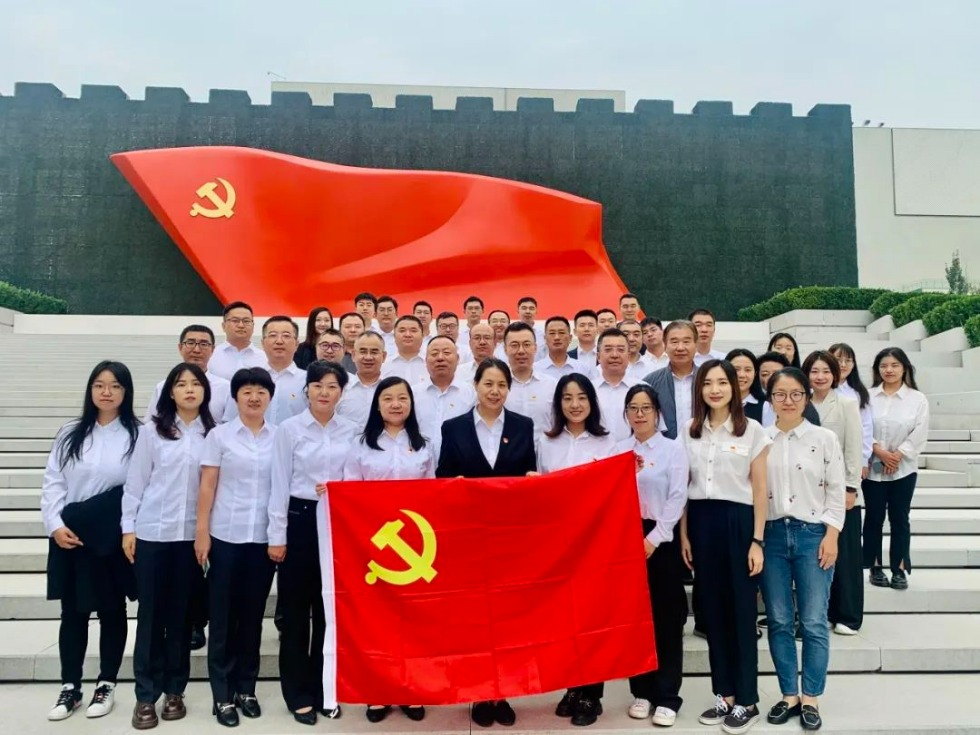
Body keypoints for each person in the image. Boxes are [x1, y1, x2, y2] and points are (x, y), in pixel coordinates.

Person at [436, 359, 536, 728]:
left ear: (509, 389)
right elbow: (442, 476)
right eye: (488, 384)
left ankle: (503, 692)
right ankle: (478, 692)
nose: (495, 391)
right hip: (469, 540)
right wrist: (455, 485)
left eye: (501, 385)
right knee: (475, 620)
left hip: (510, 540)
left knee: (509, 620)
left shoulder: (523, 426)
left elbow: (528, 474)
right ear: (475, 385)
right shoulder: (454, 427)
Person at [43, 361, 140, 722]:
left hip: (113, 536)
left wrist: (129, 529)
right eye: (99, 385)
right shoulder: (70, 432)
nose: (106, 392)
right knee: (73, 612)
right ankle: (70, 686)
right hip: (71, 535)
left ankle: (107, 683)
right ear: (90, 390)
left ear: (126, 392)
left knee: (113, 610)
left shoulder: (137, 434)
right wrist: (55, 525)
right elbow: (54, 481)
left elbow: (139, 487)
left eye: (115, 386)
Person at [680, 360, 770, 735]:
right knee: (713, 614)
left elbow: (760, 490)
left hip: (739, 523)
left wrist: (757, 540)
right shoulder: (690, 430)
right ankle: (725, 696)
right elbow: (684, 485)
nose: (714, 389)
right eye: (707, 383)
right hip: (702, 522)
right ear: (699, 389)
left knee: (741, 614)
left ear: (734, 386)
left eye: (721, 382)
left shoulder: (752, 430)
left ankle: (747, 700)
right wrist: (685, 535)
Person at [123, 363, 216, 729]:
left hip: (192, 539)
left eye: (196, 383)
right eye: (181, 384)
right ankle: (145, 695)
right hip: (153, 535)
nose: (189, 389)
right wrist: (128, 528)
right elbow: (135, 483)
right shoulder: (152, 432)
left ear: (205, 391)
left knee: (181, 616)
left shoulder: (214, 434)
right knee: (150, 617)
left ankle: (175, 690)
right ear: (170, 392)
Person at [345, 376, 437, 723]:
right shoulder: (360, 445)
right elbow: (350, 491)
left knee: (412, 623)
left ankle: (411, 689)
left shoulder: (424, 445)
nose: (395, 404)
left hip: (414, 544)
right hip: (371, 544)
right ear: (377, 405)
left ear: (411, 404)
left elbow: (432, 494)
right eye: (388, 398)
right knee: (376, 621)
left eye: (402, 398)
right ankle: (378, 692)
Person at [269, 361, 354, 725]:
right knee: (295, 612)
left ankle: (324, 689)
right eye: (317, 385)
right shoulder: (289, 430)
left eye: (332, 386)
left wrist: (340, 490)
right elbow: (278, 482)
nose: (324, 392)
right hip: (299, 519)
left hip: (337, 522)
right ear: (307, 390)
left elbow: (355, 477)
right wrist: (277, 536)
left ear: (341, 393)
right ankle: (297, 693)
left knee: (327, 612)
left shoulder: (350, 430)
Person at [761, 367, 845, 732]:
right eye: (780, 394)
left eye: (796, 393)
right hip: (772, 536)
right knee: (779, 619)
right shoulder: (760, 438)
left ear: (807, 397)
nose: (788, 400)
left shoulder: (824, 438)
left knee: (813, 620)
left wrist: (832, 535)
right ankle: (789, 694)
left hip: (813, 534)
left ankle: (811, 697)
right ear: (770, 399)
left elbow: (837, 489)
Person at [195, 367, 278, 727]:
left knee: (252, 618)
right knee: (223, 617)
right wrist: (202, 532)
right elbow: (207, 486)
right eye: (247, 391)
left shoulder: (280, 436)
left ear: (270, 397)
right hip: (225, 537)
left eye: (261, 391)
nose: (254, 397)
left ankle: (247, 688)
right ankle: (222, 694)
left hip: (262, 539)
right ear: (235, 397)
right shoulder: (220, 436)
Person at [539, 375, 618, 728]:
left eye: (582, 397)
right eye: (567, 398)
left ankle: (591, 694)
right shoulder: (546, 442)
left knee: (591, 619)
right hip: (557, 544)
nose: (575, 404)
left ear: (592, 403)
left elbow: (613, 491)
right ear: (558, 404)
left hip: (594, 542)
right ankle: (572, 686)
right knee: (564, 620)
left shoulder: (608, 442)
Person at [619, 385, 689, 729]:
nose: (640, 414)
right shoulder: (619, 451)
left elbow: (677, 496)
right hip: (625, 539)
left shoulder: (673, 449)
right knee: (635, 619)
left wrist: (655, 538)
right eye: (633, 408)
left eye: (646, 407)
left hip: (661, 540)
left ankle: (667, 695)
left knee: (666, 619)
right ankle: (641, 691)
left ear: (658, 412)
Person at [802, 351, 865, 636]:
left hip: (841, 491)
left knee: (847, 555)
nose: (820, 377)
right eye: (814, 371)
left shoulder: (846, 404)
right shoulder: (801, 402)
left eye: (826, 371)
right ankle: (825, 611)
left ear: (835, 375)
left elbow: (853, 449)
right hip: (810, 493)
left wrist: (852, 488)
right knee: (820, 554)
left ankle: (849, 615)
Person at [864, 347, 929, 590]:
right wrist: (879, 452)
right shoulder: (868, 396)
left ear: (905, 368)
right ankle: (874, 566)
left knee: (900, 518)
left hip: (904, 469)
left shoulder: (917, 399)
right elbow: (862, 428)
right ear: (877, 369)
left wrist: (897, 456)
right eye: (883, 366)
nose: (889, 370)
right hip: (873, 468)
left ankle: (899, 568)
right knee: (874, 517)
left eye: (894, 365)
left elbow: (920, 431)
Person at [226, 316, 308, 425]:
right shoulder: (246, 379)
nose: (279, 341)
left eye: (286, 336)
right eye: (273, 335)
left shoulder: (308, 381)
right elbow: (230, 421)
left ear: (297, 344)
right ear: (263, 343)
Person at [144, 325, 231, 426]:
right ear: (180, 347)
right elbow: (151, 423)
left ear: (212, 349)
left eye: (204, 344)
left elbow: (231, 428)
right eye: (190, 343)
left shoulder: (226, 388)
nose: (197, 350)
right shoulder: (163, 387)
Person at [415, 336, 475, 455]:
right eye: (434, 354)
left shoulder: (471, 393)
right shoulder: (413, 393)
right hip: (420, 462)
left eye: (447, 353)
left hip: (459, 462)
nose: (440, 358)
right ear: (425, 360)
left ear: (457, 359)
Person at [642, 320, 698, 439]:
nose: (680, 348)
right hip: (664, 447)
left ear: (696, 344)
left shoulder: (708, 380)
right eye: (674, 342)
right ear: (665, 345)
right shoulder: (650, 382)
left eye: (686, 342)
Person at [502, 322, 557, 436]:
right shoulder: (498, 386)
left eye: (527, 344)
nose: (521, 351)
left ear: (535, 348)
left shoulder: (551, 385)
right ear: (505, 349)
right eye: (514, 345)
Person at [828, 343, 874, 476]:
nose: (843, 365)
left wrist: (864, 460)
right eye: (838, 359)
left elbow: (866, 426)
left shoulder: (859, 393)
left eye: (848, 361)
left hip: (851, 457)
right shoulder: (815, 390)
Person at [590, 328, 639, 441]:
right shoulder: (587, 390)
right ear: (598, 357)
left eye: (621, 350)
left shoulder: (643, 389)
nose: (615, 355)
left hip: (634, 451)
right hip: (596, 451)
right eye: (608, 350)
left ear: (628, 356)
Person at [758, 352, 822, 428]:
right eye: (765, 374)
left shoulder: (804, 407)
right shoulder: (757, 405)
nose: (770, 378)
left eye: (776, 373)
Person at [337, 331, 387, 427]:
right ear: (353, 355)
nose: (368, 357)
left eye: (374, 352)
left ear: (384, 356)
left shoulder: (391, 389)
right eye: (363, 351)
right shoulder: (340, 389)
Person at [209, 301, 266, 380]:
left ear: (253, 326)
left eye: (246, 321)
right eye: (235, 320)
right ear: (223, 326)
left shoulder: (265, 358)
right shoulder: (211, 356)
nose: (241, 325)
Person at [381, 315, 427, 385]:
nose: (407, 335)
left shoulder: (432, 364)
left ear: (422, 335)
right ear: (394, 336)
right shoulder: (383, 365)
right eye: (402, 331)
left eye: (413, 331)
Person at [727, 349, 765, 424]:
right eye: (736, 369)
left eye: (747, 370)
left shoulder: (765, 406)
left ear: (755, 374)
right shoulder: (717, 403)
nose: (742, 375)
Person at [569, 309, 599, 375]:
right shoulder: (567, 357)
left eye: (591, 325)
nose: (586, 329)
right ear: (575, 331)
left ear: (597, 330)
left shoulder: (605, 355)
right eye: (582, 325)